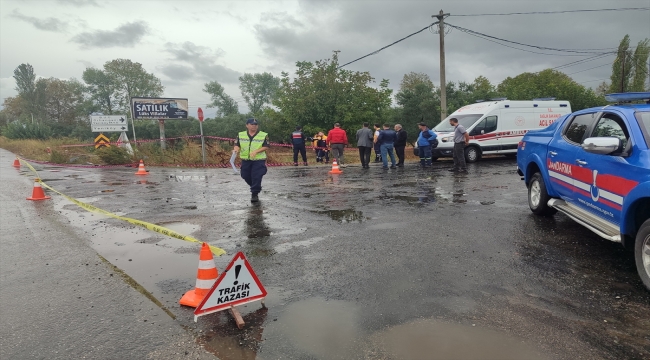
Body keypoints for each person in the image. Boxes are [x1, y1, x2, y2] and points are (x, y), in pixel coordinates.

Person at [233, 118, 269, 203]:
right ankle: (255, 186)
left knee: (256, 176)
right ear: (247, 125)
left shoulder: (263, 135)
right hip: (246, 159)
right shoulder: (240, 134)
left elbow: (266, 146)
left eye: (255, 124)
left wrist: (256, 151)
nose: (254, 126)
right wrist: (236, 150)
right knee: (245, 175)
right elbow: (237, 144)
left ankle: (254, 194)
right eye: (252, 124)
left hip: (258, 160)